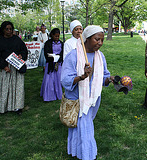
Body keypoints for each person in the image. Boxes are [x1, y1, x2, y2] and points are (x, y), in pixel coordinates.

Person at [61, 25, 114, 160]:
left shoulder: (100, 56)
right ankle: (88, 155)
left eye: (102, 40)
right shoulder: (73, 55)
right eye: (97, 39)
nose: (100, 43)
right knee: (85, 128)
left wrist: (110, 79)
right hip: (77, 99)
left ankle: (75, 151)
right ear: (87, 38)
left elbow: (103, 78)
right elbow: (65, 80)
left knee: (79, 128)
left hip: (93, 99)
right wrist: (82, 77)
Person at [0, 21, 28, 114]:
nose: (9, 31)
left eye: (10, 29)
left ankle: (17, 106)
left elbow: (24, 50)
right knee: (4, 87)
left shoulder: (17, 40)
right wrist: (3, 66)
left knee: (17, 87)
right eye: (7, 29)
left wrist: (21, 55)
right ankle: (3, 106)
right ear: (3, 30)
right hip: (4, 67)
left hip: (16, 67)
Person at [40, 28, 63, 101]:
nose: (57, 38)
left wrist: (59, 58)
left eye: (58, 36)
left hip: (58, 63)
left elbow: (63, 52)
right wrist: (52, 58)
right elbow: (46, 53)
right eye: (55, 36)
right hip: (50, 63)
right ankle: (49, 95)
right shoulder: (48, 43)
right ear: (52, 35)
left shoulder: (61, 43)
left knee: (58, 79)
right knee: (50, 79)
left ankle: (58, 94)